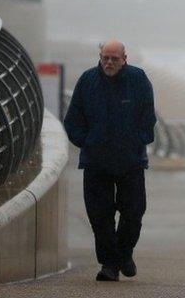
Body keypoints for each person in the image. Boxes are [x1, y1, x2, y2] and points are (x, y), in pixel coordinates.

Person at [63, 40, 156, 282]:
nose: (109, 62)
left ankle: (124, 253)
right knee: (100, 216)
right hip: (96, 161)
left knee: (133, 213)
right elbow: (73, 119)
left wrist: (139, 139)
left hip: (131, 160)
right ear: (100, 57)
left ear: (125, 58)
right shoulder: (87, 80)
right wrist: (87, 141)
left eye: (114, 58)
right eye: (105, 58)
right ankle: (109, 265)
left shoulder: (138, 79)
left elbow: (148, 116)